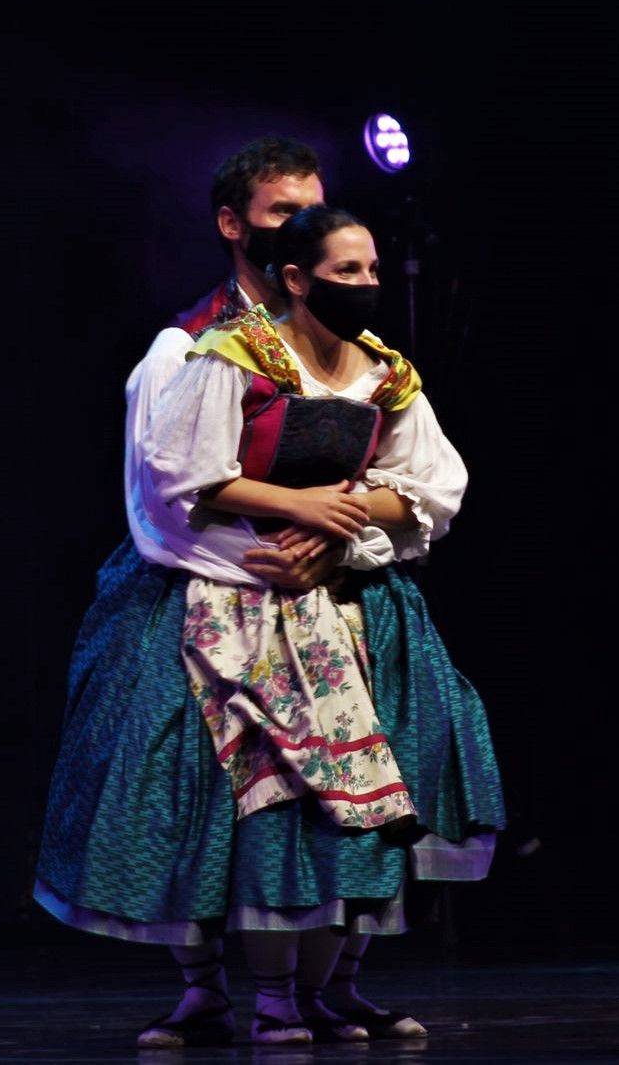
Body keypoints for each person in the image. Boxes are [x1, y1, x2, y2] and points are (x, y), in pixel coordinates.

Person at [33, 142, 504, 1047]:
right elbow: (165, 488)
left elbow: (423, 481)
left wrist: (336, 544)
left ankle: (329, 985)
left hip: (343, 582)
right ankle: (215, 988)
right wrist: (267, 550)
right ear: (235, 225)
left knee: (392, 761)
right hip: (213, 581)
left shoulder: (375, 363)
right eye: (283, 209)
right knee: (201, 781)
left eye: (314, 208)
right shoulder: (193, 346)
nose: (304, 225)